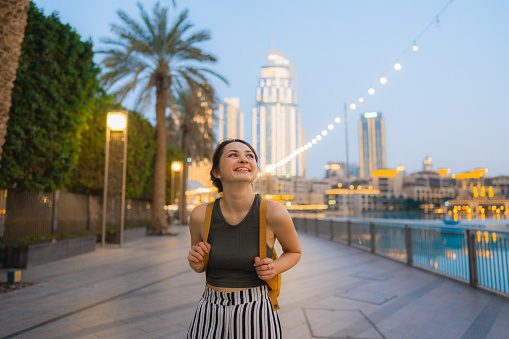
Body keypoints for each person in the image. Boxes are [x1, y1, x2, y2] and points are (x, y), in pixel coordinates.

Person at [187, 139, 302, 339]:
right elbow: (199, 266)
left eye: (250, 156)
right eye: (233, 155)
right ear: (217, 172)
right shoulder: (200, 215)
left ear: (256, 169)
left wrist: (274, 267)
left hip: (257, 311)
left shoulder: (274, 212)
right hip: (209, 311)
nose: (244, 159)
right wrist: (196, 262)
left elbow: (294, 251)